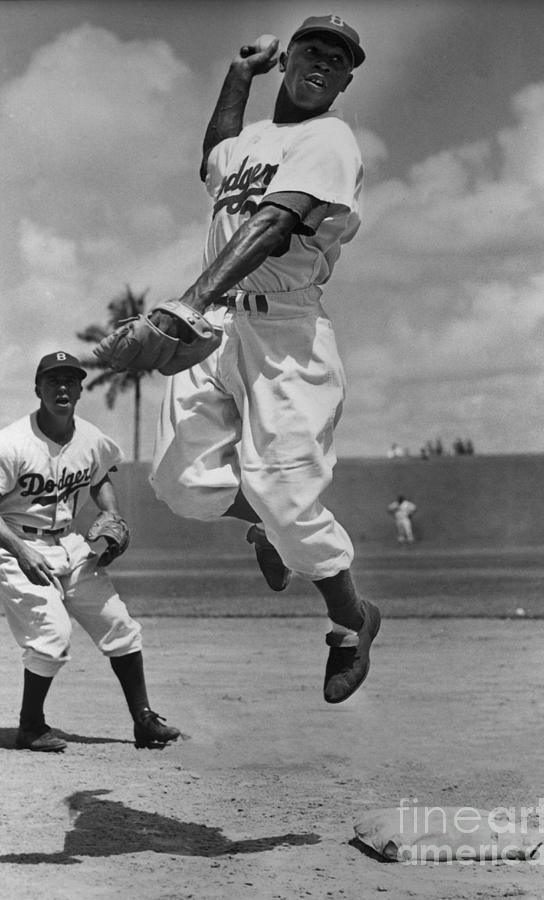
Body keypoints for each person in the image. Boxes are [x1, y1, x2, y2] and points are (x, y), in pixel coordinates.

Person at [143, 15, 381, 704]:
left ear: (344, 79)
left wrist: (188, 304)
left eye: (337, 59)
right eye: (311, 47)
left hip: (284, 329)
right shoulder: (252, 143)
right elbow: (214, 157)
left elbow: (273, 225)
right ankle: (268, 532)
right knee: (180, 482)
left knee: (284, 494)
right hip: (220, 321)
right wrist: (238, 74)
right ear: (289, 60)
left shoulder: (329, 140)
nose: (322, 61)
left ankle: (350, 622)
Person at [0, 351, 181, 751]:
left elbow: (100, 476)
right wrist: (19, 551)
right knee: (52, 633)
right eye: (53, 380)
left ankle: (144, 720)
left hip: (69, 542)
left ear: (81, 389)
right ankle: (30, 725)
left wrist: (112, 514)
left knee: (120, 625)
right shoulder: (13, 442)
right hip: (18, 542)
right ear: (38, 389)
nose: (62, 387)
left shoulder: (90, 437)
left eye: (70, 380)